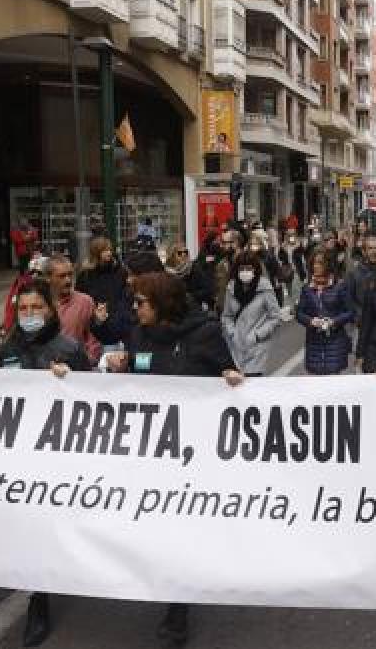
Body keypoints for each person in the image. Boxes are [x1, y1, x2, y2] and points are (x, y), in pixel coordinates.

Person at [102, 272, 242, 646]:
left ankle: (177, 609)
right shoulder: (138, 335)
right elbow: (134, 380)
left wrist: (230, 378)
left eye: (141, 302)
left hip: (192, 455)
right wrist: (120, 366)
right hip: (151, 451)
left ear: (163, 303)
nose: (135, 308)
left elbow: (229, 377)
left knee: (181, 528)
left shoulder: (204, 333)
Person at [0, 281, 89, 646]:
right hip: (21, 454)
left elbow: (93, 401)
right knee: (30, 526)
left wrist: (71, 381)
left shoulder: (68, 348)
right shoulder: (6, 350)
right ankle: (39, 599)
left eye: (37, 308)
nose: (30, 315)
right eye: (24, 309)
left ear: (50, 311)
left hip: (59, 451)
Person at [220, 249, 282, 377]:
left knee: (253, 385)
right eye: (241, 269)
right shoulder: (231, 288)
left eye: (248, 268)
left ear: (255, 269)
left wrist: (258, 335)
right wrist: (232, 333)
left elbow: (275, 317)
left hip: (257, 348)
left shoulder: (264, 287)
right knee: (236, 388)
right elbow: (227, 316)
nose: (245, 272)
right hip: (235, 347)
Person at [296, 251, 353, 375]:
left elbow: (349, 312)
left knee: (334, 384)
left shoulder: (339, 286)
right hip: (314, 342)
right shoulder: (307, 288)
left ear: (328, 264)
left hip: (335, 342)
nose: (316, 266)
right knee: (317, 386)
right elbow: (299, 313)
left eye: (320, 263)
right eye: (314, 263)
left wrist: (333, 321)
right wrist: (311, 321)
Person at [42, 254, 102, 363]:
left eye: (70, 275)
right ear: (47, 278)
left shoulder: (85, 302)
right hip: (43, 368)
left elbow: (93, 339)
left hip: (76, 368)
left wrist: (87, 361)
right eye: (62, 276)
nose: (68, 280)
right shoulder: (38, 304)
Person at [76, 237, 133, 347]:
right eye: (105, 250)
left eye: (110, 250)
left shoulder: (120, 271)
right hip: (94, 324)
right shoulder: (85, 275)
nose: (109, 253)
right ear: (96, 252)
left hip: (116, 323)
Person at [0, 254, 45, 338]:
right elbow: (11, 308)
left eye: (39, 273)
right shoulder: (20, 287)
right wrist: (6, 326)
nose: (35, 275)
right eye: (32, 272)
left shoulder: (49, 291)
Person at [344, 233, 376, 324]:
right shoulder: (354, 273)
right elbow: (348, 299)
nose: (374, 251)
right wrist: (358, 317)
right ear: (364, 251)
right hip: (362, 324)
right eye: (370, 248)